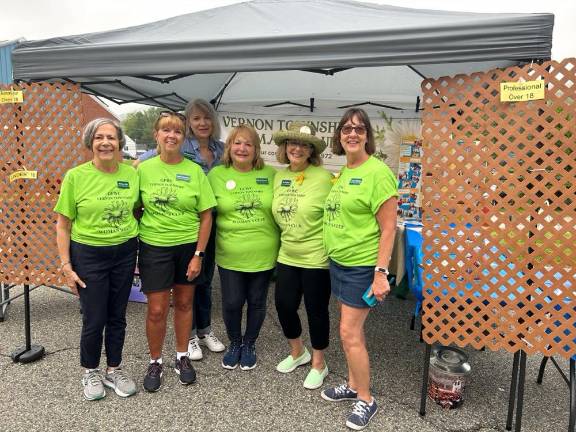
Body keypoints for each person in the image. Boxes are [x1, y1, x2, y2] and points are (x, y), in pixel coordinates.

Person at [320, 108, 398, 431]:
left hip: (362, 267)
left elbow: (389, 228)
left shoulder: (377, 172)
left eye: (359, 128)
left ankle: (366, 399)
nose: (352, 134)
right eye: (346, 129)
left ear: (367, 135)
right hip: (339, 263)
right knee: (351, 330)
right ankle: (352, 385)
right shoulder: (343, 171)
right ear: (339, 136)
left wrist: (381, 272)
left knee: (348, 333)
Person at [55, 118, 139, 401]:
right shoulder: (75, 177)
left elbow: (139, 209)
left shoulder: (132, 174)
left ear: (120, 143)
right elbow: (63, 225)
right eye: (99, 137)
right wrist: (66, 266)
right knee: (94, 318)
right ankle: (90, 370)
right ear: (90, 142)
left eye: (111, 138)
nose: (106, 142)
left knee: (118, 316)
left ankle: (113, 369)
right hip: (88, 254)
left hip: (125, 252)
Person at [137, 99, 226, 360]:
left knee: (205, 280)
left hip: (206, 224)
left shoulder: (221, 150)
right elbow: (146, 162)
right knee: (172, 296)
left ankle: (203, 330)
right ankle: (189, 337)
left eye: (206, 118)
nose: (202, 123)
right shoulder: (176, 146)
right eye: (196, 118)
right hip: (173, 231)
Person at [207, 124, 279, 370]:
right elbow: (204, 212)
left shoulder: (270, 175)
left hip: (263, 251)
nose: (242, 148)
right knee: (232, 302)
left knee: (257, 301)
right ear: (229, 147)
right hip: (230, 253)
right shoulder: (216, 175)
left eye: (248, 144)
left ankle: (250, 343)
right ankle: (235, 342)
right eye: (237, 143)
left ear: (257, 149)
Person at [271, 122, 333, 390]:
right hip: (287, 254)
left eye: (304, 144)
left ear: (311, 151)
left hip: (316, 258)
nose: (297, 148)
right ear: (285, 148)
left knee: (316, 311)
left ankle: (319, 363)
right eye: (291, 143)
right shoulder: (279, 176)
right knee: (284, 305)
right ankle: (298, 352)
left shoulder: (324, 178)